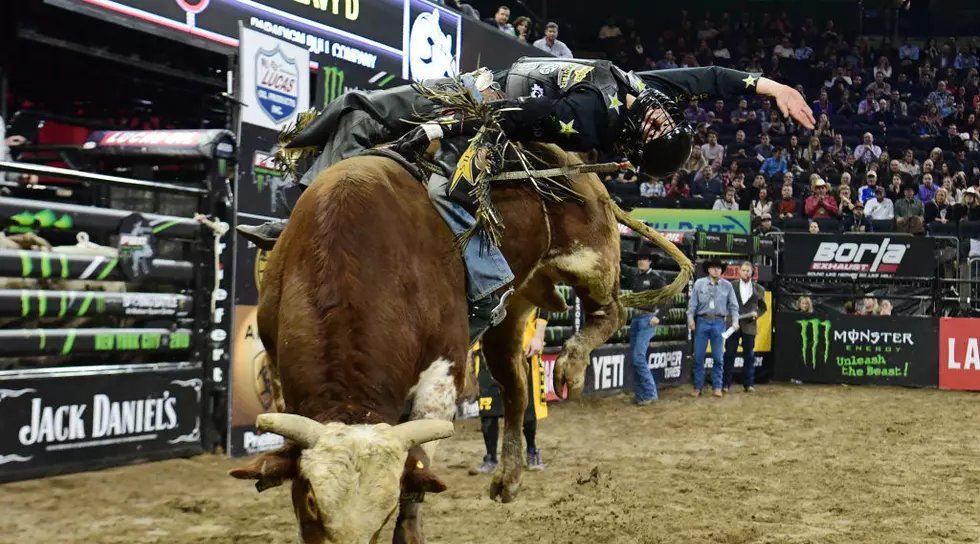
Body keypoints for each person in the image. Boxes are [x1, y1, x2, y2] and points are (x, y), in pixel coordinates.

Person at [239, 59, 813, 345]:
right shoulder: (646, 92)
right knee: (372, 119)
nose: (659, 112)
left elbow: (510, 116)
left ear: (637, 140)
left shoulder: (591, 114)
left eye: (657, 124)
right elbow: (710, 78)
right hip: (494, 95)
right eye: (665, 116)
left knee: (377, 120)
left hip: (485, 107)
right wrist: (771, 88)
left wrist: (434, 131)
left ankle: (476, 295)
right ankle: (308, 215)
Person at [475, 308, 548, 472]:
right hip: (488, 351)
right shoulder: (484, 282)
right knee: (488, 411)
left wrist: (538, 336)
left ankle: (531, 450)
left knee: (527, 410)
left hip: (523, 350)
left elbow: (544, 305)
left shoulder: (529, 282)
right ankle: (491, 458)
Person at [688, 257, 739, 398]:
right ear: (708, 269)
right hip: (702, 321)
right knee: (698, 356)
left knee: (718, 357)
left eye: (719, 267)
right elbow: (692, 304)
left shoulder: (727, 286)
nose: (716, 270)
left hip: (719, 322)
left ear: (721, 270)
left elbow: (734, 306)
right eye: (713, 267)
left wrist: (735, 321)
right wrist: (690, 318)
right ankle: (698, 387)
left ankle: (717, 386)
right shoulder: (699, 284)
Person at [623, 248, 667, 405]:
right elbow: (622, 267)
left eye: (644, 259)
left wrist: (658, 316)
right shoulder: (635, 274)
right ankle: (641, 395)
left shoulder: (656, 278)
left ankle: (650, 393)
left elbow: (668, 298)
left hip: (648, 318)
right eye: (639, 259)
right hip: (636, 317)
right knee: (635, 357)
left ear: (650, 261)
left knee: (638, 357)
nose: (641, 261)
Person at [723, 261, 767, 394]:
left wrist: (756, 315)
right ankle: (725, 384)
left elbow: (763, 307)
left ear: (752, 273)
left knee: (749, 356)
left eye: (748, 270)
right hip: (733, 325)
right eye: (743, 270)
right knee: (729, 354)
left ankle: (748, 384)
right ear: (739, 271)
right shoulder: (731, 286)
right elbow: (725, 303)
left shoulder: (759, 289)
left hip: (749, 326)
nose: (746, 273)